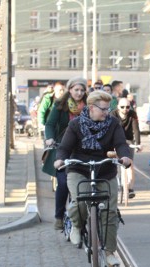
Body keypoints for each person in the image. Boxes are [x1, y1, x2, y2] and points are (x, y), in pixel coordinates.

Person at [53, 91, 132, 267]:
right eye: (103, 109)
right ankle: (76, 225)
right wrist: (60, 159)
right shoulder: (75, 125)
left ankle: (109, 252)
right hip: (79, 168)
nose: (106, 112)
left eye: (108, 108)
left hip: (105, 169)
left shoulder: (113, 124)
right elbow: (65, 147)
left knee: (109, 212)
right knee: (80, 200)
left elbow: (120, 144)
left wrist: (125, 157)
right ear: (91, 108)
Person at [45, 77, 88, 230]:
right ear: (70, 90)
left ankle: (78, 217)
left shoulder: (88, 107)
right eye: (76, 90)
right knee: (63, 183)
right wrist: (49, 138)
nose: (79, 93)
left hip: (82, 150)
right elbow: (50, 124)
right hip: (62, 148)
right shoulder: (60, 105)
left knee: (79, 185)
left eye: (82, 90)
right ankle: (59, 216)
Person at [111, 97, 141, 199]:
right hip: (115, 140)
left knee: (130, 163)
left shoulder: (132, 114)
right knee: (112, 163)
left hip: (128, 140)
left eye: (127, 107)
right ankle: (113, 183)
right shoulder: (113, 115)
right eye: (122, 107)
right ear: (118, 107)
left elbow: (136, 129)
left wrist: (138, 143)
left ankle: (130, 188)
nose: (125, 109)